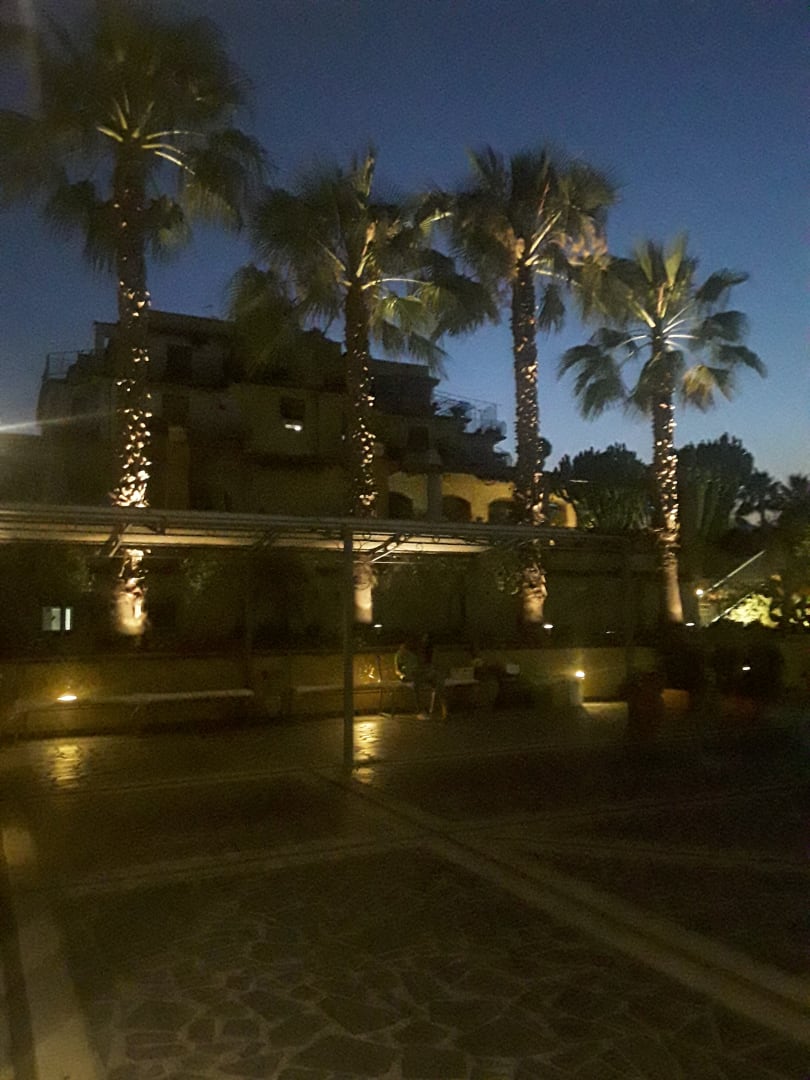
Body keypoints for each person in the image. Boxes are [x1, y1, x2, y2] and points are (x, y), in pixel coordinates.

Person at [395, 637, 446, 719]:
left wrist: (428, 670)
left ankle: (442, 708)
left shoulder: (417, 653)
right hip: (411, 676)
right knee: (417, 685)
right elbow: (397, 670)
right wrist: (402, 676)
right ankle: (420, 710)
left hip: (420, 673)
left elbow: (424, 665)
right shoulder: (400, 654)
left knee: (437, 679)